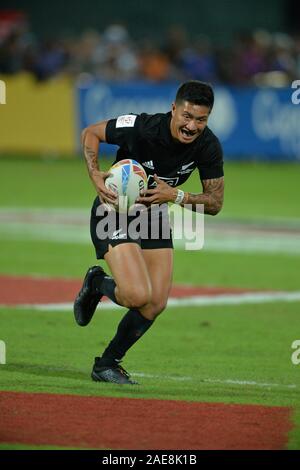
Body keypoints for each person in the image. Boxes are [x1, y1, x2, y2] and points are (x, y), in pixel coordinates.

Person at [74, 80, 224, 384]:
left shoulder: (208, 145)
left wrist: (177, 197)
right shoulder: (142, 127)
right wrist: (95, 175)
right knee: (135, 295)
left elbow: (215, 203)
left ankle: (107, 364)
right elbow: (90, 132)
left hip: (154, 215)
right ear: (173, 109)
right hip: (114, 211)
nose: (192, 126)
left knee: (155, 302)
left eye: (201, 120)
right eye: (187, 116)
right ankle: (96, 283)